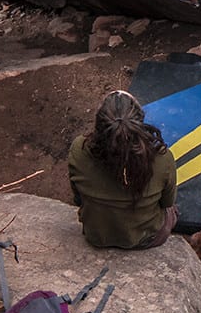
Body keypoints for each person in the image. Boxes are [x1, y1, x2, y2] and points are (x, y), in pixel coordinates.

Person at [68, 90, 179, 249]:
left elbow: (78, 198)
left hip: (97, 235)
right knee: (172, 210)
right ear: (139, 124)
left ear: (99, 124)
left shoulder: (79, 149)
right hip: (146, 238)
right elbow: (167, 202)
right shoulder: (162, 159)